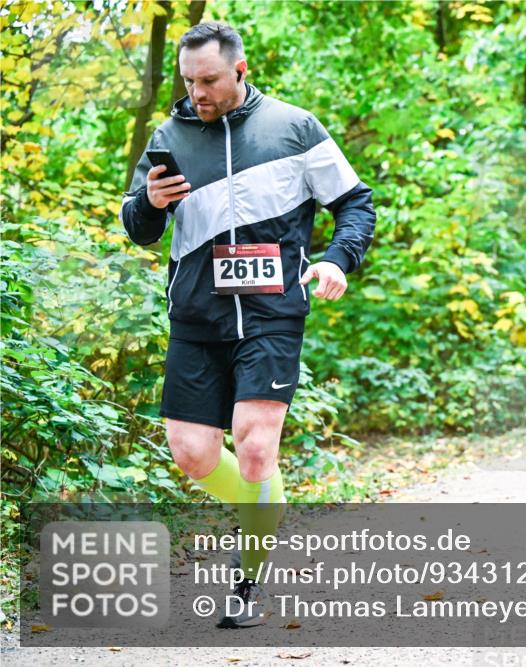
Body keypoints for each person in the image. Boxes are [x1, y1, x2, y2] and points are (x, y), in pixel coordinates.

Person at [119, 22, 376, 628]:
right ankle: (268, 511)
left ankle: (249, 580)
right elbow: (137, 226)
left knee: (257, 449)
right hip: (197, 315)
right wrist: (150, 204)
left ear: (239, 70)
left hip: (272, 312)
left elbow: (354, 204)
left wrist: (338, 259)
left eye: (207, 80)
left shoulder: (294, 127)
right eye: (187, 81)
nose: (196, 93)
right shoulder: (169, 135)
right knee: (191, 453)